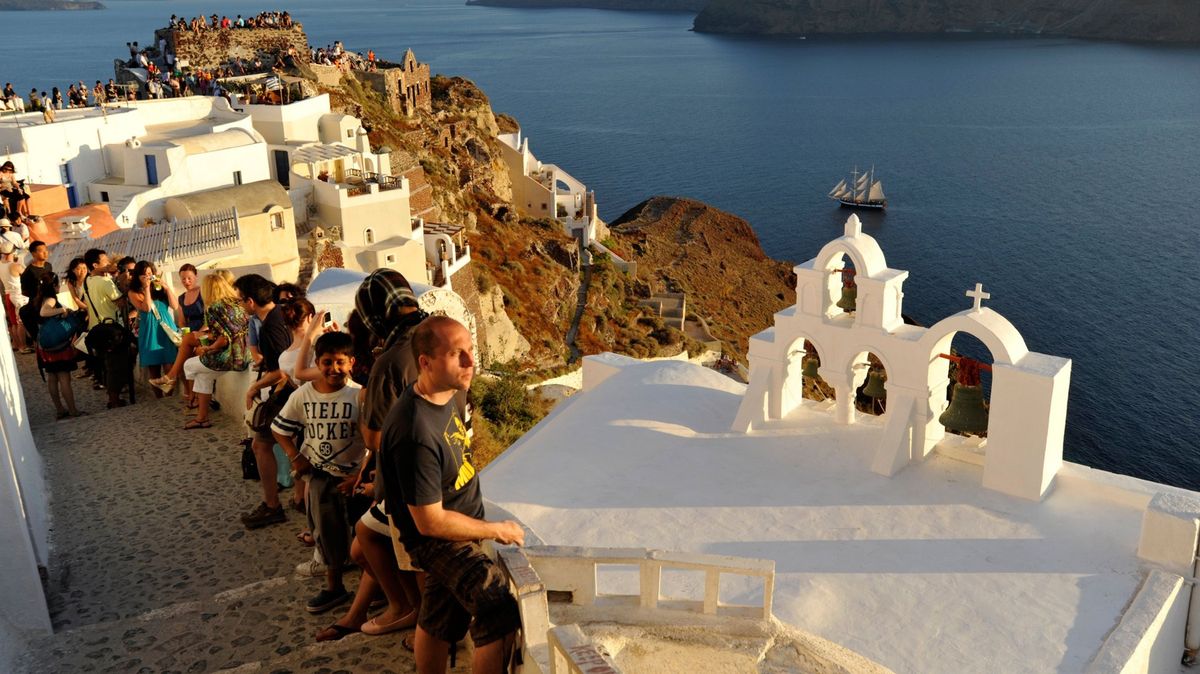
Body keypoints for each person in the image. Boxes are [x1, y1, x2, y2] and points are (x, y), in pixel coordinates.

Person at [381, 316, 523, 674]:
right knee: (496, 604)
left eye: (470, 350)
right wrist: (495, 530)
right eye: (456, 354)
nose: (470, 362)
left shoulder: (452, 394)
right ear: (425, 362)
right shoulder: (415, 429)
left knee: (439, 616)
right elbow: (429, 522)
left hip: (458, 521)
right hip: (438, 538)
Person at [273, 331, 367, 615]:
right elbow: (280, 429)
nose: (333, 369)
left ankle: (370, 587)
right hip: (321, 477)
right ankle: (334, 587)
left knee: (362, 535)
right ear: (317, 362)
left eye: (340, 362)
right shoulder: (305, 394)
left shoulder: (359, 395)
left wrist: (361, 475)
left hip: (356, 478)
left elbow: (373, 440)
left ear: (351, 362)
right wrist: (296, 456)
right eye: (327, 362)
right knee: (326, 533)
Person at [236, 273, 293, 529]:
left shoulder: (270, 326)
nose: (239, 305)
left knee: (261, 445)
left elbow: (281, 370)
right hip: (297, 391)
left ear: (250, 302)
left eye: (239, 301)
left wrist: (254, 388)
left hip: (290, 393)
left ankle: (272, 505)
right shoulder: (282, 313)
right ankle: (299, 497)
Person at [180, 273, 249, 429]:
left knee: (189, 365)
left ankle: (192, 397)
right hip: (245, 355)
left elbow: (223, 338)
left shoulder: (214, 308)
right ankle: (202, 418)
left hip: (229, 357)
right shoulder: (238, 304)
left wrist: (209, 348)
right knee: (203, 376)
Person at [127, 261, 181, 398]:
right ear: (138, 277)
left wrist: (167, 288)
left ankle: (169, 396)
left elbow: (175, 306)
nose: (148, 277)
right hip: (150, 329)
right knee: (154, 366)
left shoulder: (160, 289)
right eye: (144, 275)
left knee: (169, 364)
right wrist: (146, 288)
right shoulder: (133, 292)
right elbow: (146, 308)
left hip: (166, 327)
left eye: (150, 274)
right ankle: (159, 399)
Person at [35, 275, 85, 419]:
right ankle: (73, 410)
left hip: (45, 346)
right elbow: (44, 312)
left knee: (52, 377)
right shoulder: (50, 299)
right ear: (54, 286)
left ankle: (60, 409)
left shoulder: (39, 299)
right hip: (58, 346)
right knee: (64, 378)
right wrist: (62, 310)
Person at [18, 240, 53, 345]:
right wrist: (38, 294)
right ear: (33, 254)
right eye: (41, 251)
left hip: (51, 301)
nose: (45, 253)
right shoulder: (28, 272)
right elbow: (24, 292)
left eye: (46, 250)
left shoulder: (48, 266)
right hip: (37, 305)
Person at [1, 239, 30, 353]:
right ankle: (23, 346)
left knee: (13, 322)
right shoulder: (14, 265)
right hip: (18, 295)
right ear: (12, 252)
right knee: (20, 322)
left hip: (8, 294)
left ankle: (18, 345)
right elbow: (26, 274)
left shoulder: (0, 265)